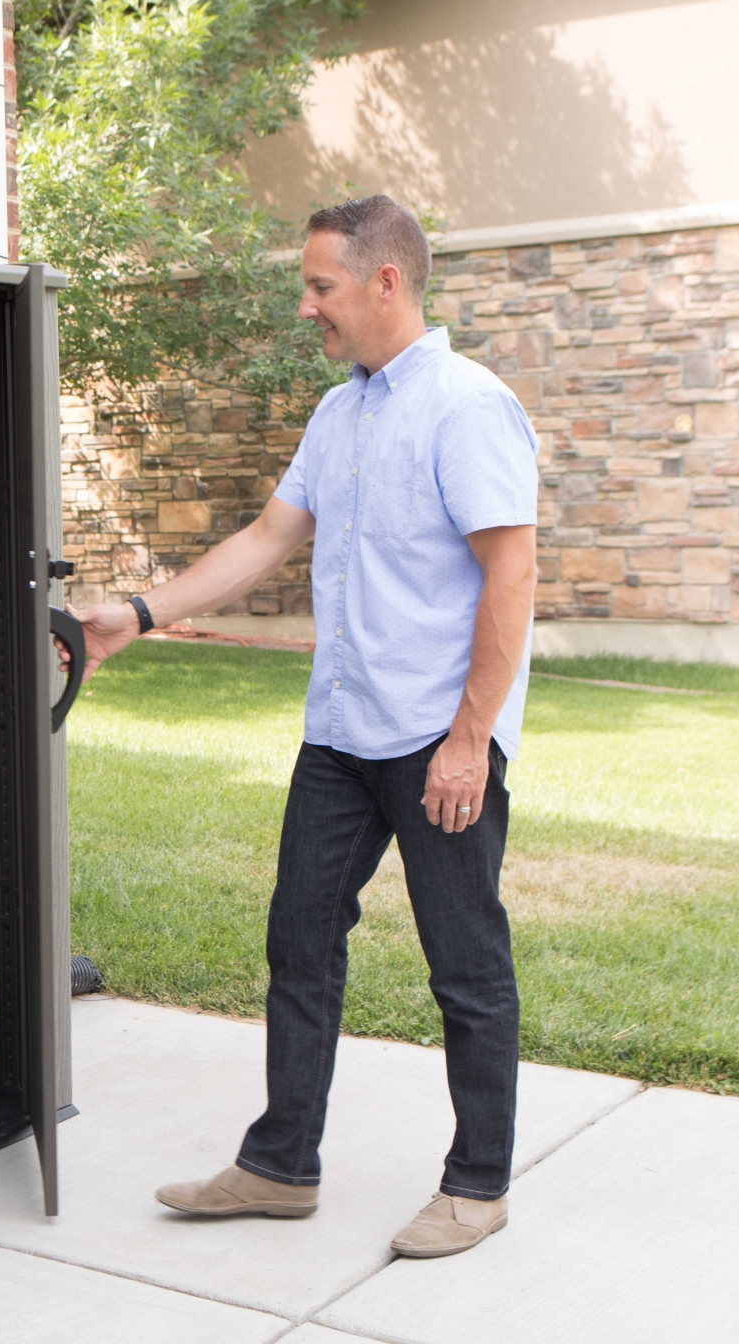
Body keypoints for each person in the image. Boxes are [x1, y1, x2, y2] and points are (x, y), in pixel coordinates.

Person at [72, 194, 539, 1259]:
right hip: (341, 732)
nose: (305, 305)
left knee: (464, 961)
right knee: (299, 941)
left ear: (385, 283)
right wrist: (139, 617)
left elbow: (510, 576)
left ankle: (478, 1183)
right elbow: (267, 535)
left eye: (320, 285)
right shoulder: (341, 413)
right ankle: (281, 1164)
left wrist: (471, 738)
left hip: (436, 739)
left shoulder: (467, 407)